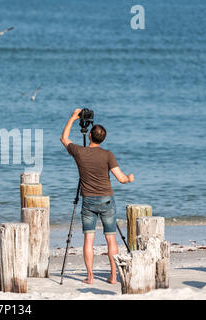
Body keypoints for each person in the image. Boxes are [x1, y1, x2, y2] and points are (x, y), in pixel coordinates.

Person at [60, 108, 134, 284]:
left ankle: (90, 276)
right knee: (111, 238)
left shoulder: (79, 152)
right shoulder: (108, 155)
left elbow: (64, 138)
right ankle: (114, 276)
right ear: (103, 139)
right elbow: (122, 179)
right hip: (107, 200)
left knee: (89, 239)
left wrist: (72, 117)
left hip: (88, 201)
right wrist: (130, 178)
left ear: (90, 136)